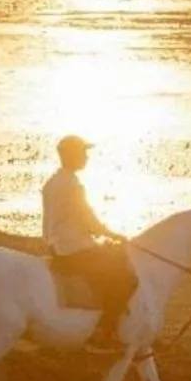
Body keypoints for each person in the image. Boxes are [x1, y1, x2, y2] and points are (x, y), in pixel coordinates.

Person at [42, 135, 136, 352]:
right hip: (74, 247)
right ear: (72, 156)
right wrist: (112, 234)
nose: (86, 157)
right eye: (83, 153)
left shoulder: (53, 182)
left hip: (56, 243)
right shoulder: (73, 185)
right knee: (125, 278)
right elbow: (87, 219)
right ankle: (102, 333)